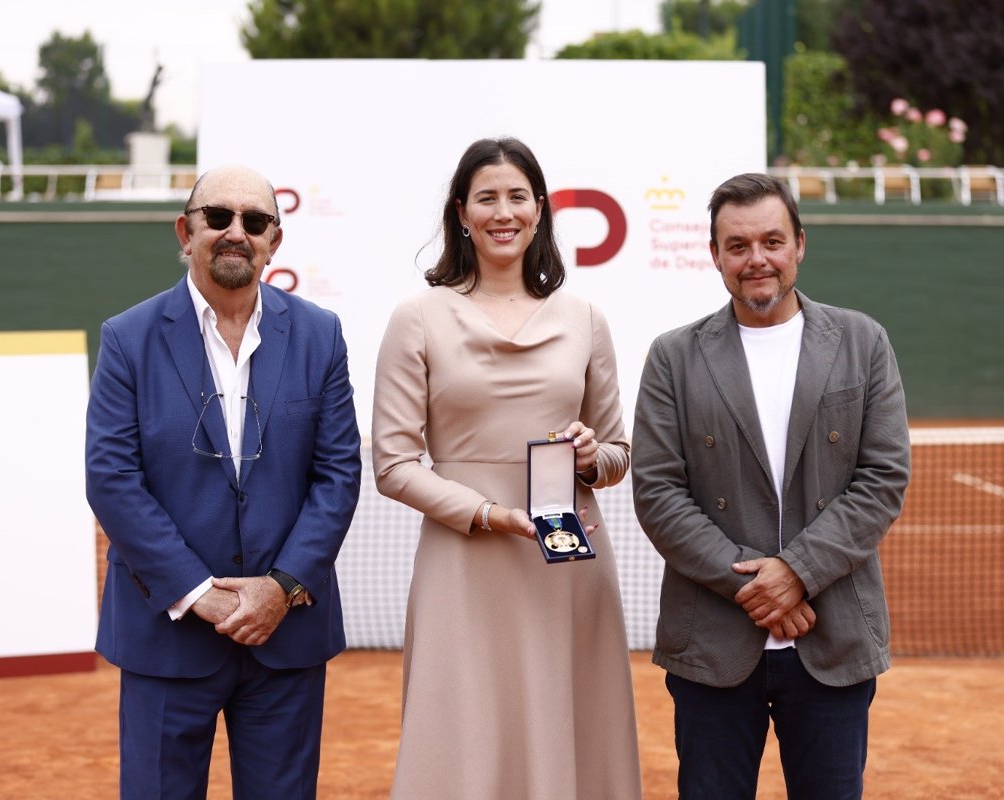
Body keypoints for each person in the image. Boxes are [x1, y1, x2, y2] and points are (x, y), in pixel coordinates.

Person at [372, 137, 642, 799]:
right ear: (461, 213)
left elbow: (617, 455)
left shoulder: (584, 318)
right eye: (487, 197)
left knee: (568, 729)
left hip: (566, 564)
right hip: (464, 561)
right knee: (463, 730)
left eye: (518, 196)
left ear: (540, 210)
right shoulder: (418, 318)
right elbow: (393, 462)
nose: (504, 211)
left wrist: (590, 456)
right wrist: (485, 514)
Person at [85, 164, 362, 799]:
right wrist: (197, 593)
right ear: (186, 231)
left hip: (285, 634)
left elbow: (338, 473)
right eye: (218, 217)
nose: (236, 232)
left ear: (274, 241)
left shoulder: (321, 336)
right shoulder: (128, 339)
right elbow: (112, 479)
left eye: (255, 221)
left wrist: (282, 589)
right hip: (167, 633)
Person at [631, 172, 911, 800]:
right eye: (737, 245)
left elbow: (882, 477)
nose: (756, 259)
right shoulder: (672, 357)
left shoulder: (863, 342)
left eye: (771, 241)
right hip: (711, 644)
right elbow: (657, 492)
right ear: (715, 256)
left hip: (832, 638)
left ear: (799, 245)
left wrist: (798, 573)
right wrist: (759, 588)